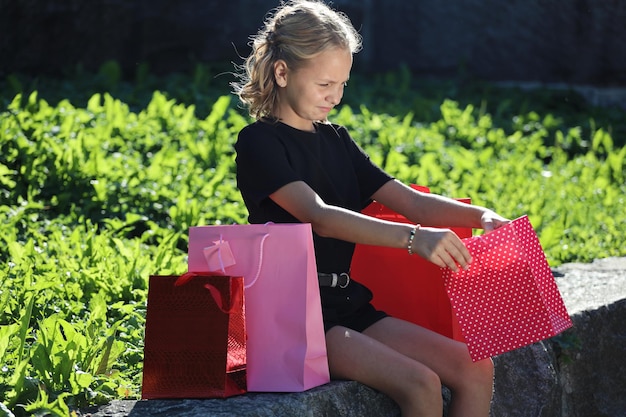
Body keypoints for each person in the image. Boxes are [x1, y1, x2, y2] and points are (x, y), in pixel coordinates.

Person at [232, 1, 510, 416]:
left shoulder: (336, 139)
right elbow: (320, 217)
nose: (336, 97)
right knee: (420, 384)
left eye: (343, 84)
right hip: (294, 315)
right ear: (282, 72)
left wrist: (481, 216)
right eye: (325, 84)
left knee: (475, 367)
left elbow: (411, 201)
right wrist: (413, 240)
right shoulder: (258, 143)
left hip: (347, 303)